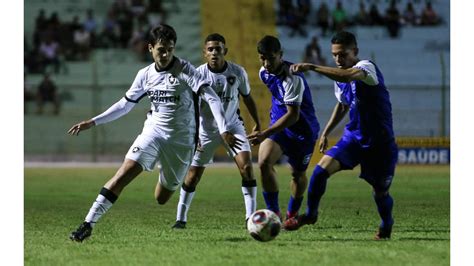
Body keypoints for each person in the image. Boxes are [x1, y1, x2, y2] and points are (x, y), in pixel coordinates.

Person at [68, 24, 241, 242]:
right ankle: (87, 224)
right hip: (153, 133)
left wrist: (224, 128)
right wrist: (93, 122)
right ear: (151, 48)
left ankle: (163, 169)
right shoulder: (145, 74)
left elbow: (212, 98)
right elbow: (125, 105)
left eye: (170, 48)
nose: (166, 54)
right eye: (161, 49)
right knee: (123, 173)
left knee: (162, 197)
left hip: (181, 141)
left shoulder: (187, 71)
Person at [284, 31, 398, 240]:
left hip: (380, 143)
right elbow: (343, 105)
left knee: (380, 191)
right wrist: (327, 131)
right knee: (320, 171)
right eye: (335, 55)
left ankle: (386, 224)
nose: (338, 59)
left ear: (355, 51)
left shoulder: (366, 67)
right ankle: (310, 214)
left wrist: (312, 67)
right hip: (353, 138)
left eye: (343, 54)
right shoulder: (339, 79)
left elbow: (348, 75)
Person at [172, 33, 260, 229]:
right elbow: (191, 107)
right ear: (204, 53)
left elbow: (247, 97)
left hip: (233, 126)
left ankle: (251, 218)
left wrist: (257, 123)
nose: (214, 53)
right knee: (194, 175)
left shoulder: (238, 72)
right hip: (206, 130)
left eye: (218, 49)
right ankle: (180, 218)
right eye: (210, 49)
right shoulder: (198, 74)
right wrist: (194, 133)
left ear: (225, 51)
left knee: (246, 168)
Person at [248, 36, 320, 221]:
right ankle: (274, 214)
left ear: (280, 55)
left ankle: (292, 212)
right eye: (262, 58)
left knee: (297, 174)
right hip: (280, 128)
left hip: (303, 132)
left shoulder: (293, 78)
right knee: (264, 163)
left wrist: (264, 133)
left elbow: (293, 115)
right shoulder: (263, 72)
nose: (266, 63)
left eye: (271, 58)